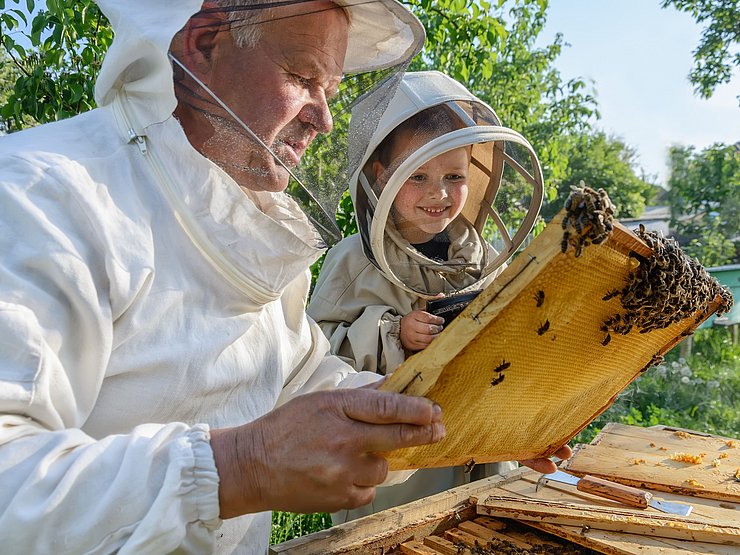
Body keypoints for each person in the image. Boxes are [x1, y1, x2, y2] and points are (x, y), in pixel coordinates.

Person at [0, 2, 570, 553]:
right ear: (204, 43)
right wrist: (240, 466)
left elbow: (308, 380)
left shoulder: (245, 224)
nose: (322, 118)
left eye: (331, 90)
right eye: (302, 76)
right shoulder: (39, 196)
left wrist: (478, 415)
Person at [308, 71, 551, 521]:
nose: (438, 193)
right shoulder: (352, 261)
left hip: (477, 456)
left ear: (474, 173)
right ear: (381, 177)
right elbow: (311, 359)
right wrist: (392, 332)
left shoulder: (482, 258)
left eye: (453, 175)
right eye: (417, 176)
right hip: (396, 473)